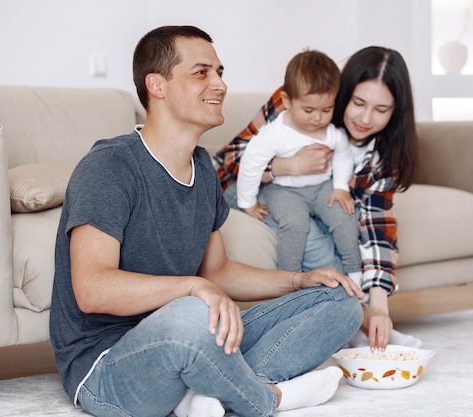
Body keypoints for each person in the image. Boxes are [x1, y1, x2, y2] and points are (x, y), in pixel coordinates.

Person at [49, 25, 364, 417]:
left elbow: (217, 273)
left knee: (342, 301)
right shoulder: (109, 167)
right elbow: (92, 289)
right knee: (192, 312)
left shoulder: (201, 167)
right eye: (202, 72)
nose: (220, 84)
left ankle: (204, 393)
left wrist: (299, 280)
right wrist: (194, 289)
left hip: (194, 338)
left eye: (220, 72)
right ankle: (266, 398)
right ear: (157, 85)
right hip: (108, 366)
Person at [214, 45, 421, 350]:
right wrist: (284, 167)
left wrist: (381, 306)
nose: (365, 119)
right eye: (359, 103)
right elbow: (226, 162)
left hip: (317, 201)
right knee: (308, 233)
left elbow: (376, 223)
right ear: (343, 93)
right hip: (257, 191)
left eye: (381, 110)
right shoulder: (300, 98)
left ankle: (357, 321)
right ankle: (356, 322)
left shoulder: (383, 153)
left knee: (343, 224)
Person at [237, 50, 362, 284]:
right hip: (284, 190)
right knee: (295, 225)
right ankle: (289, 279)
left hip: (322, 186)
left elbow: (343, 157)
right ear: (287, 101)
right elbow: (251, 163)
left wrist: (340, 187)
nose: (318, 118)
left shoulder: (333, 133)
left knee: (344, 216)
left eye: (326, 110)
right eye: (308, 110)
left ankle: (356, 273)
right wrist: (248, 202)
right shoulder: (275, 134)